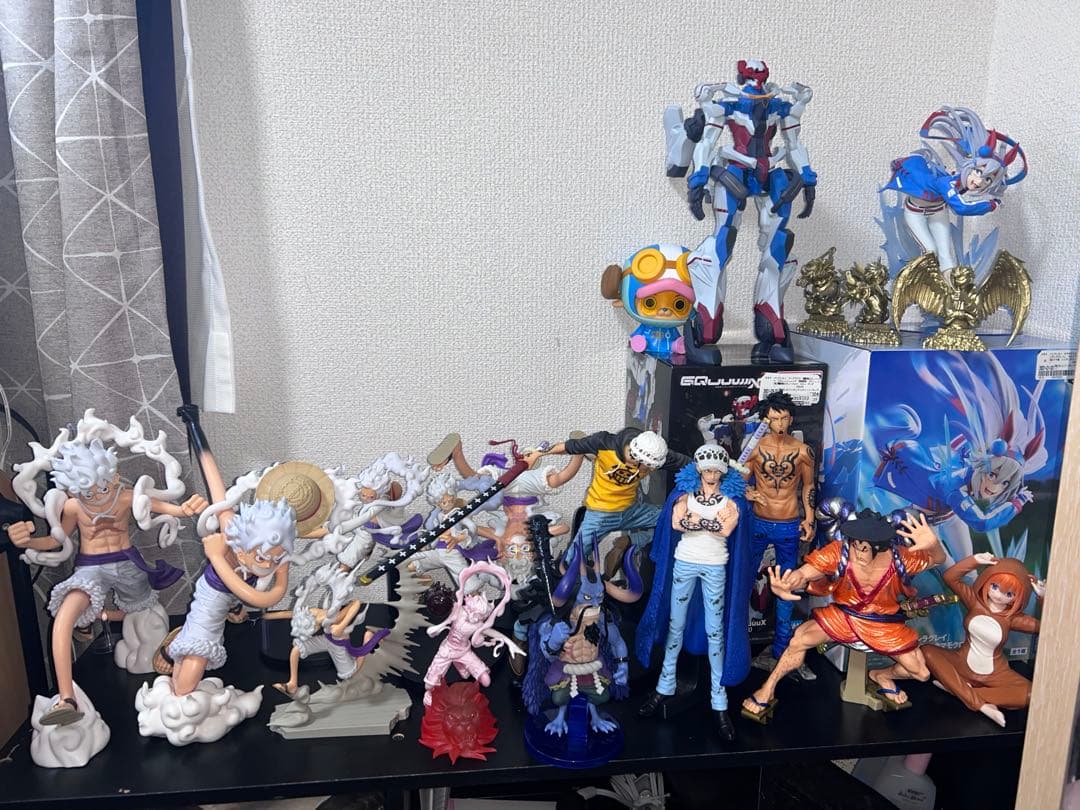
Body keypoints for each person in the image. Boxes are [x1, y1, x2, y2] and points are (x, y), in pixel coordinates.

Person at [8, 419, 204, 726]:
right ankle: (66, 698)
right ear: (73, 489)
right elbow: (55, 540)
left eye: (101, 487)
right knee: (64, 616)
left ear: (111, 475)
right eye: (86, 493)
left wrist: (187, 508)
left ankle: (103, 621)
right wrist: (26, 541)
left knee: (146, 616)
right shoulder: (73, 507)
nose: (97, 497)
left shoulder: (125, 496)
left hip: (127, 563)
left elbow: (170, 508)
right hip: (90, 567)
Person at [741, 509, 946, 723]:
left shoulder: (899, 558)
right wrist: (788, 583)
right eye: (855, 545)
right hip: (843, 616)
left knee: (921, 673)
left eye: (864, 548)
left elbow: (937, 559)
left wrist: (934, 544)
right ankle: (768, 688)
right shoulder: (840, 552)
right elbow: (805, 573)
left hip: (883, 623)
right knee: (799, 639)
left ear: (880, 546)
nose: (858, 553)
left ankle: (881, 675)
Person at [636, 445, 753, 741]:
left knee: (716, 632)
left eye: (716, 470)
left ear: (722, 471)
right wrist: (706, 523)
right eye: (707, 469)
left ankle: (719, 701)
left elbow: (725, 530)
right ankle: (664, 686)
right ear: (699, 469)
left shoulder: (732, 499)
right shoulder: (684, 495)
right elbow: (678, 523)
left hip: (715, 566)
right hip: (684, 563)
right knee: (675, 627)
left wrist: (697, 522)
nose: (712, 475)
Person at [526, 428, 691, 562]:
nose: (647, 470)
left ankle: (633, 541)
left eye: (651, 467)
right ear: (634, 455)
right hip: (599, 514)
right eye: (645, 466)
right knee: (573, 560)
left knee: (679, 519)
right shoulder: (604, 443)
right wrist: (538, 454)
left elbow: (689, 464)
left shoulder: (655, 456)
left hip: (631, 511)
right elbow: (569, 446)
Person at [741, 391, 815, 677]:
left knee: (787, 587)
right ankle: (736, 646)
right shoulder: (755, 447)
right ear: (766, 420)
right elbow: (738, 479)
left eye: (784, 418)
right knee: (744, 580)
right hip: (758, 521)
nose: (780, 424)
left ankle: (782, 649)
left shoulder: (803, 451)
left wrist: (809, 518)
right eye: (774, 419)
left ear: (791, 419)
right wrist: (748, 493)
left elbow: (808, 486)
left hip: (788, 523)